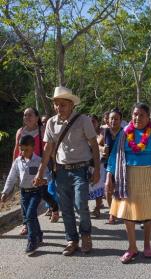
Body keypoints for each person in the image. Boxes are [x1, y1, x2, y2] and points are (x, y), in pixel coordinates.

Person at [34, 86, 100, 256]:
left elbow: (94, 145)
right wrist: (40, 173)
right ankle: (72, 240)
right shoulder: (50, 122)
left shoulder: (83, 120)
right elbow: (48, 149)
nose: (58, 107)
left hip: (80, 169)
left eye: (62, 104)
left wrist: (97, 170)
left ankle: (86, 235)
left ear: (71, 105)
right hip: (61, 170)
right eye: (56, 104)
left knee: (80, 205)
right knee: (66, 207)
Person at [107, 103, 151, 264]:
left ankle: (147, 246)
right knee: (127, 211)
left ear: (148, 117)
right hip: (127, 176)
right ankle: (131, 247)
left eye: (141, 115)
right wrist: (109, 175)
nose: (137, 118)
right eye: (135, 114)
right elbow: (115, 155)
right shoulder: (124, 133)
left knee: (149, 212)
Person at [2, 135, 51, 255]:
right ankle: (38, 234)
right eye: (21, 149)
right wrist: (5, 191)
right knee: (31, 215)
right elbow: (11, 177)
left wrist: (43, 180)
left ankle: (32, 241)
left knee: (29, 216)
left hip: (36, 191)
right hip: (24, 193)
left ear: (33, 147)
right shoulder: (17, 161)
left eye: (26, 150)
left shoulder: (39, 160)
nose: (23, 152)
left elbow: (48, 176)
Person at [13, 108, 59, 236]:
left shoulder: (43, 131)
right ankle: (26, 224)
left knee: (43, 193)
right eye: (25, 115)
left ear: (37, 117)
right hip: (24, 169)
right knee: (24, 197)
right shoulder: (20, 132)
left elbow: (50, 149)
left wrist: (54, 165)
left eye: (30, 115)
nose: (27, 117)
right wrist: (15, 167)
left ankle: (54, 207)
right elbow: (17, 150)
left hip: (41, 168)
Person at [101, 108, 123, 225]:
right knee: (108, 189)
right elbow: (96, 143)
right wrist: (102, 149)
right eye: (111, 119)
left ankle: (115, 213)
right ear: (108, 120)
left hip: (121, 165)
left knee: (118, 189)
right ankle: (112, 212)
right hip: (107, 164)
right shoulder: (105, 132)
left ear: (120, 120)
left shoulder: (125, 133)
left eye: (116, 119)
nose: (114, 121)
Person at [88, 114, 106, 218]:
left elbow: (104, 148)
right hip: (87, 164)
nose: (91, 123)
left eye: (93, 121)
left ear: (98, 122)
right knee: (86, 187)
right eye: (89, 121)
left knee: (98, 186)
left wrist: (100, 148)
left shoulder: (102, 134)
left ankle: (98, 208)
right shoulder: (83, 134)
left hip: (99, 164)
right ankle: (85, 209)